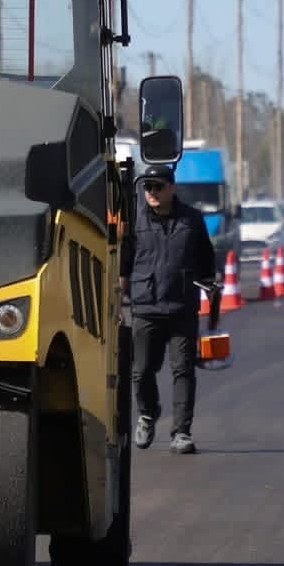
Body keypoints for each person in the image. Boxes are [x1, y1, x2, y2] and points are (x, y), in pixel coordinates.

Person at [120, 163, 218, 455]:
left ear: (171, 187)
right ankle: (148, 414)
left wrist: (212, 290)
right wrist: (117, 303)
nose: (151, 192)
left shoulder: (192, 220)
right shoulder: (134, 221)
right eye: (147, 187)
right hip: (146, 307)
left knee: (183, 370)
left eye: (157, 187)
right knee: (141, 371)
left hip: (181, 307)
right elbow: (124, 264)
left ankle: (181, 432)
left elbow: (205, 260)